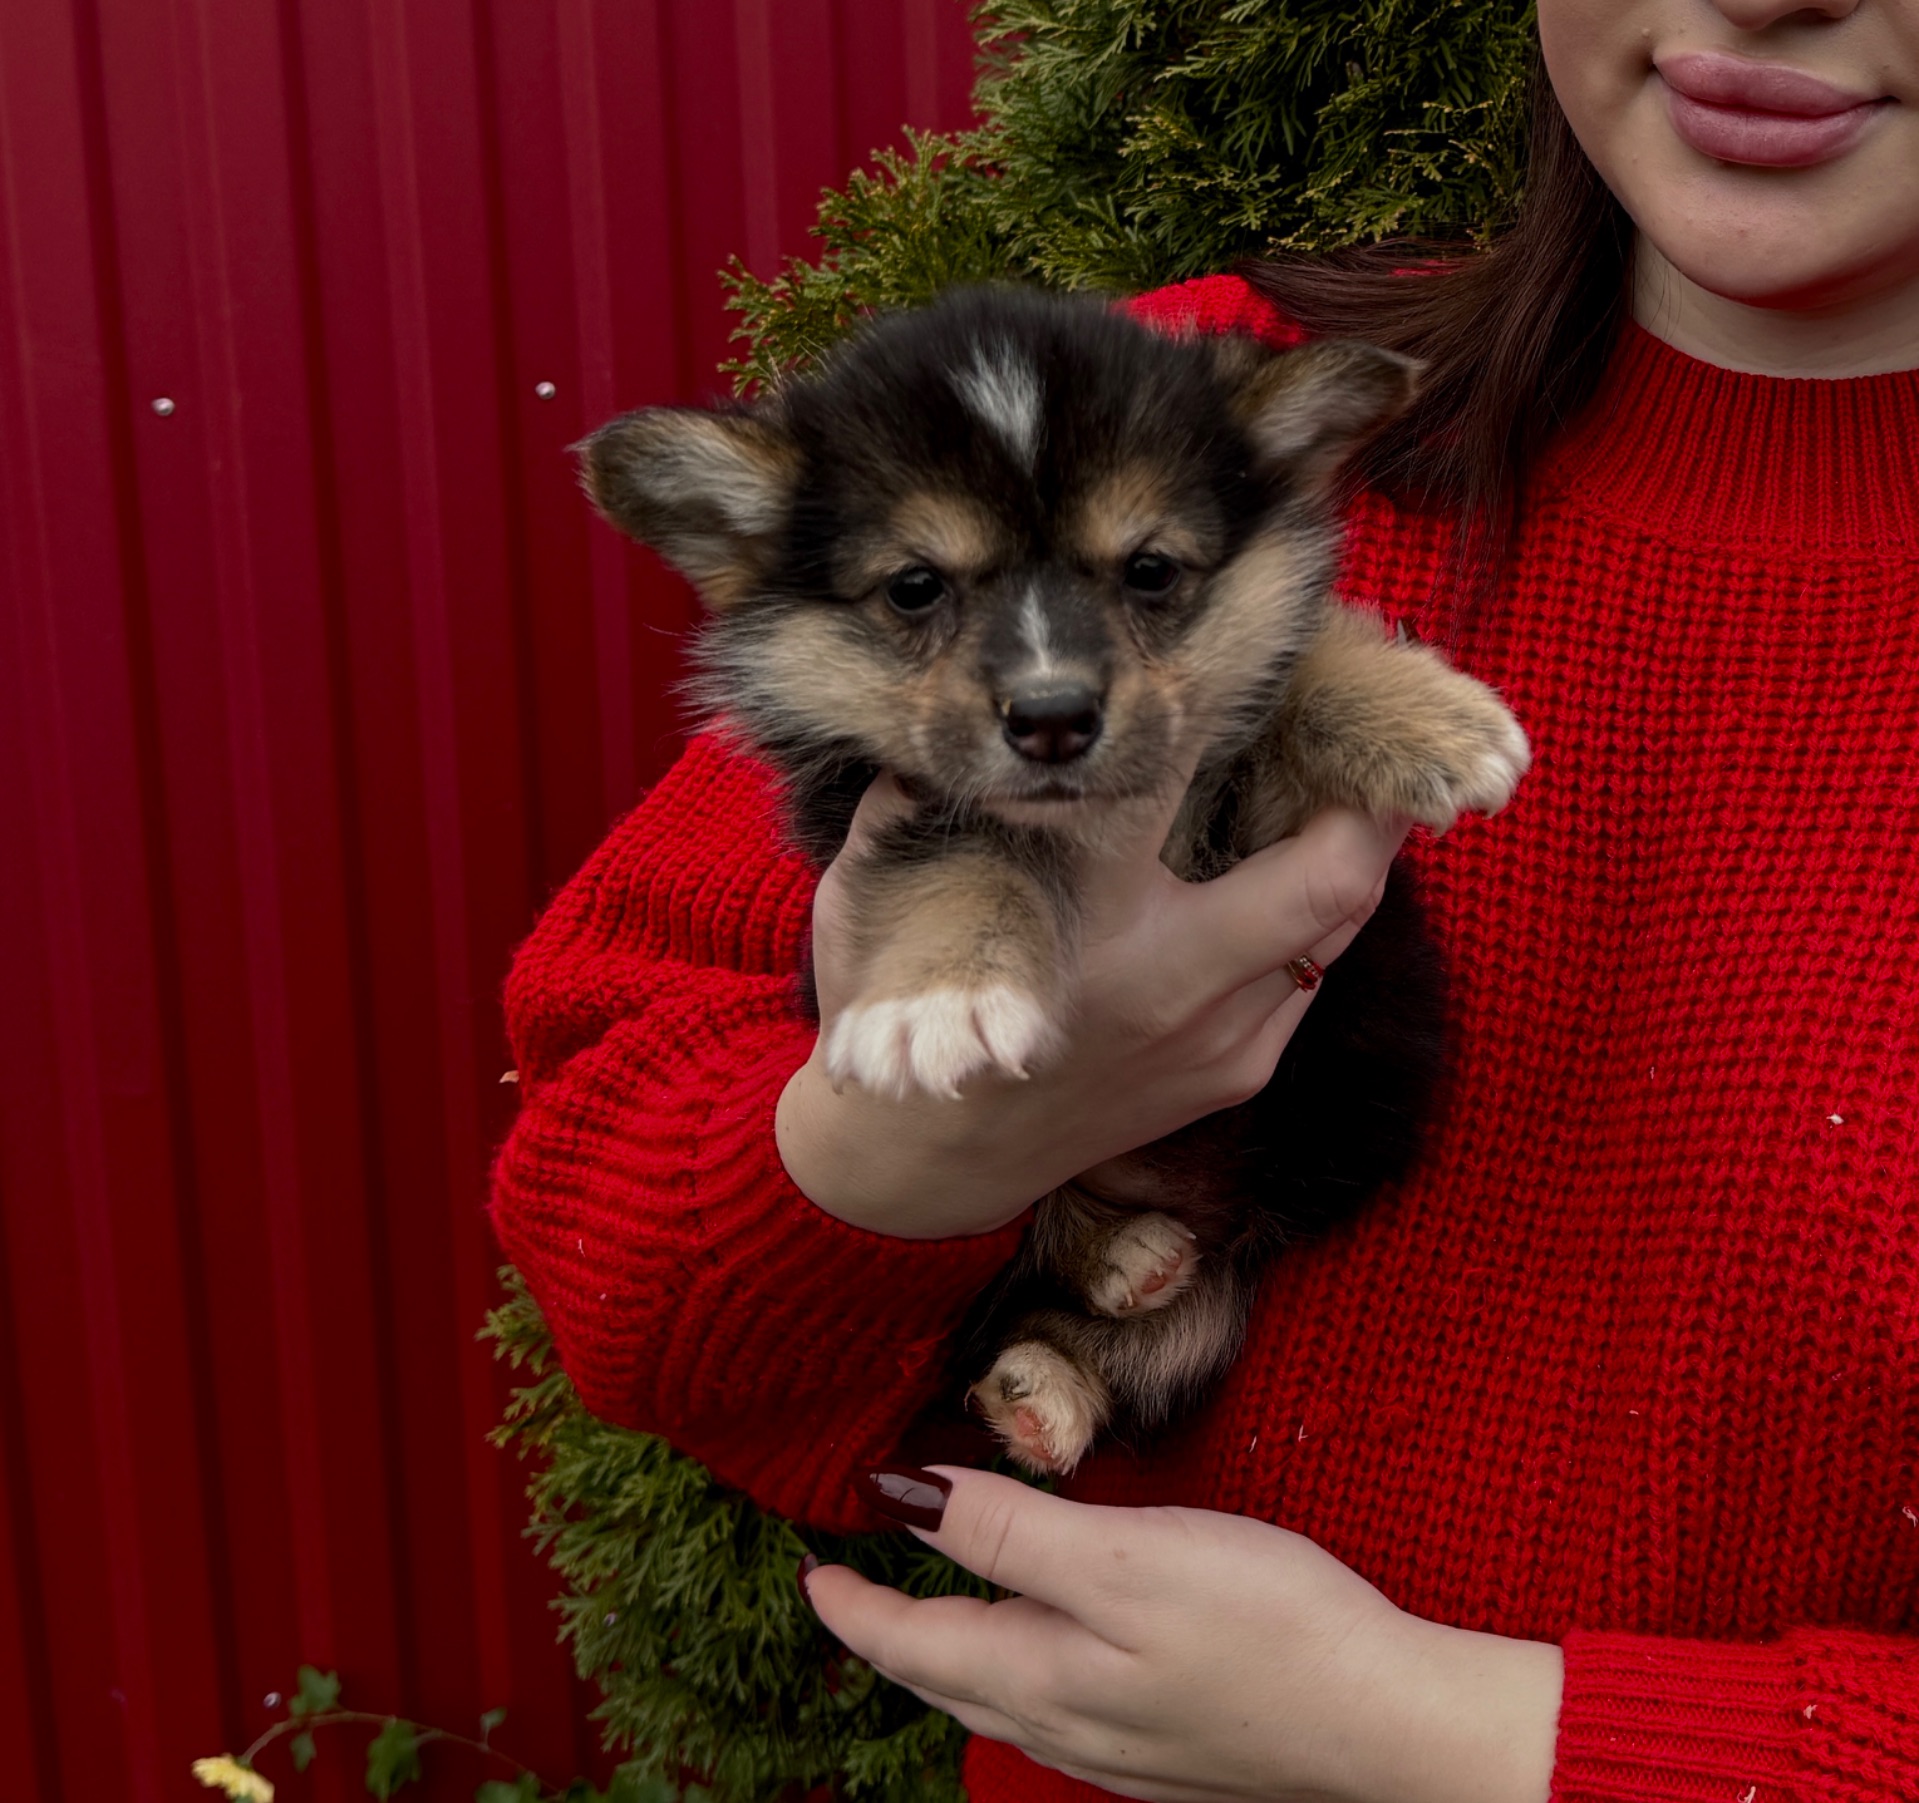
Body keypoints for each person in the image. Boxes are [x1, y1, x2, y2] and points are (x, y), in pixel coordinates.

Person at [489, 0, 1919, 1796]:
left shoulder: (1214, 458)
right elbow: (618, 1266)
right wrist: (897, 1163)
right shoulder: (1148, 398)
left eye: (1151, 584)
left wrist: (1463, 1743)